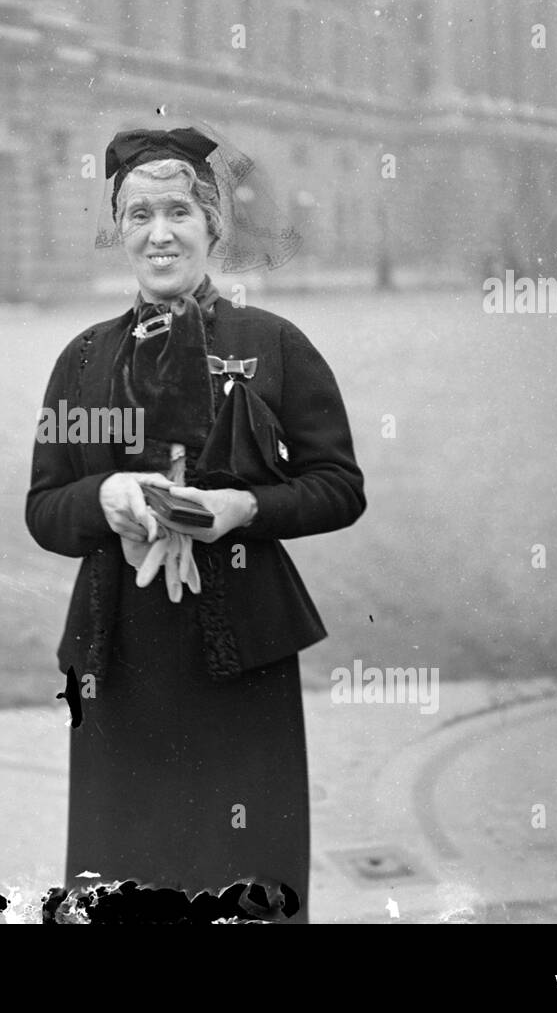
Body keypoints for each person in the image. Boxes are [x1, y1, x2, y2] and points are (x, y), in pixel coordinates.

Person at [25, 122, 366, 923]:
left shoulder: (273, 345)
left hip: (240, 653)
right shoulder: (82, 360)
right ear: (119, 232)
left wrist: (244, 508)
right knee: (125, 877)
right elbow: (44, 510)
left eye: (178, 212)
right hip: (120, 657)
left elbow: (338, 485)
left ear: (213, 224)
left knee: (244, 877)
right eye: (138, 215)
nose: (159, 233)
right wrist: (106, 498)